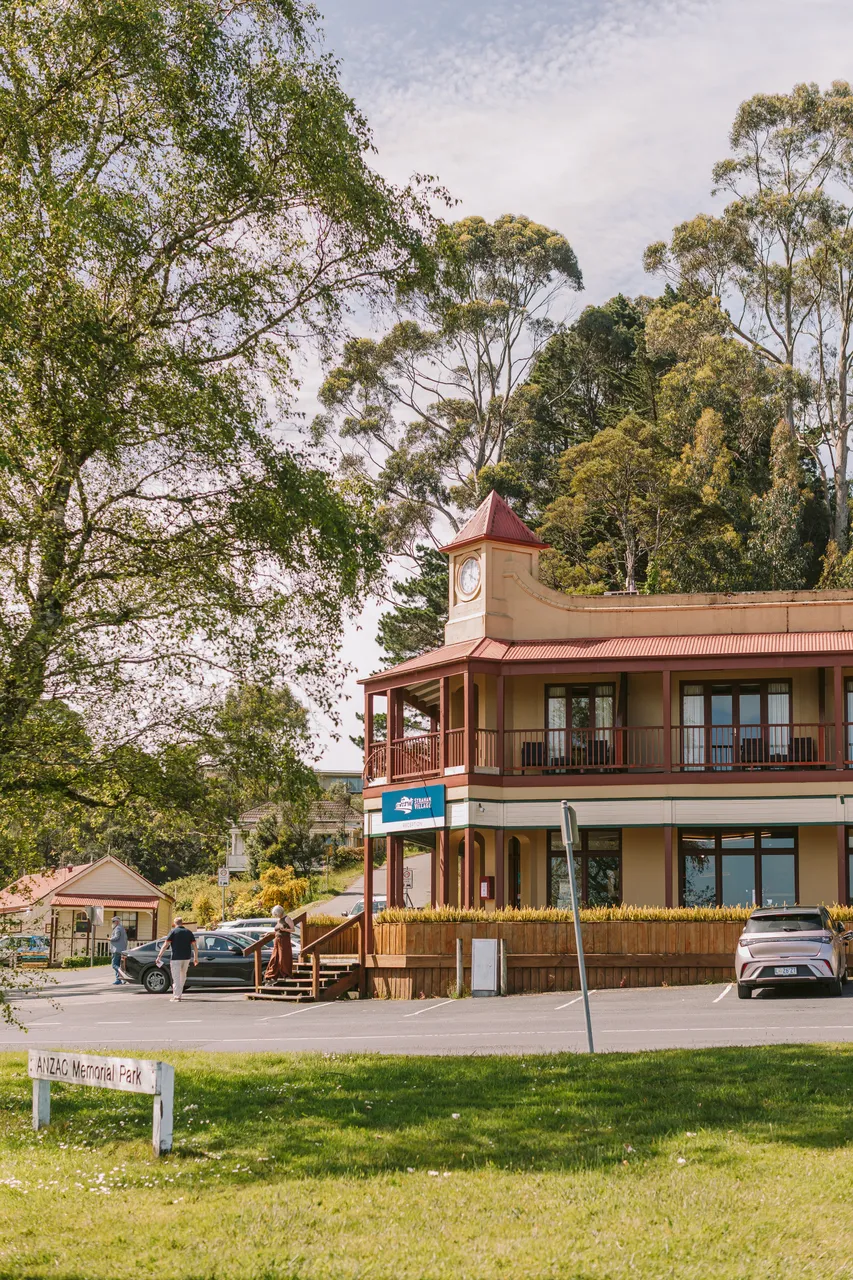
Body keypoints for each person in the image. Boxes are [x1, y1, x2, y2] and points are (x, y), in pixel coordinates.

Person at [156, 917, 198, 1001]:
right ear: (182, 923)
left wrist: (159, 956)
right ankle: (179, 994)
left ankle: (177, 996)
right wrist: (195, 958)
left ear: (174, 924)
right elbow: (194, 946)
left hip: (176, 958)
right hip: (186, 958)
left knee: (176, 977)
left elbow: (166, 945)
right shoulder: (189, 932)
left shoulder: (173, 932)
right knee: (183, 976)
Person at [263, 904, 295, 983]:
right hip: (277, 940)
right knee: (275, 957)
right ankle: (273, 974)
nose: (277, 916)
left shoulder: (287, 918)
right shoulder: (279, 920)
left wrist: (285, 930)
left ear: (280, 912)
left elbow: (293, 929)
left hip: (284, 940)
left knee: (283, 957)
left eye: (277, 914)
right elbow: (277, 931)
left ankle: (286, 974)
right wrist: (269, 933)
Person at [108, 915, 128, 986]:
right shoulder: (122, 928)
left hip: (117, 950)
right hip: (121, 949)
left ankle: (123, 976)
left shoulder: (118, 928)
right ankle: (118, 979)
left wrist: (110, 939)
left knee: (114, 965)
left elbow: (116, 937)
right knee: (118, 965)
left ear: (117, 922)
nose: (112, 922)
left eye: (113, 921)